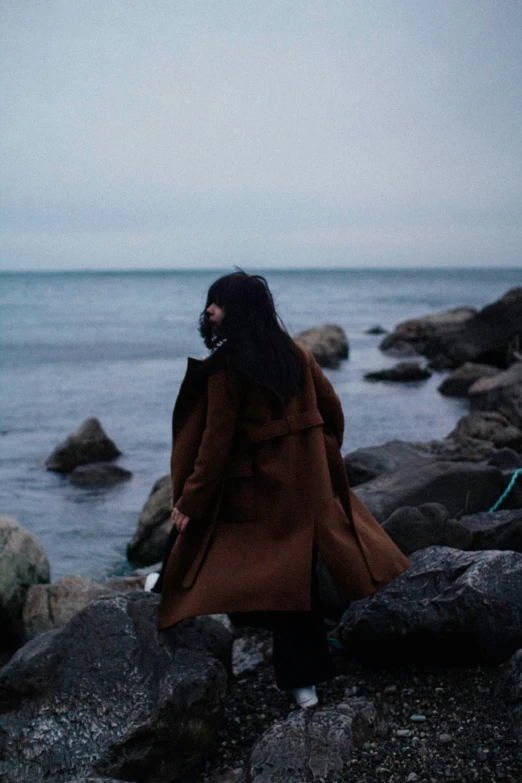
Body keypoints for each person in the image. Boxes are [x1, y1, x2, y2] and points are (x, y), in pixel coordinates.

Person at [152, 271, 410, 709]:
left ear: (237, 311)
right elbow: (333, 412)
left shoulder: (226, 370)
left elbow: (214, 447)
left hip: (254, 491)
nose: (209, 311)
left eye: (216, 303)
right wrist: (316, 455)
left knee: (194, 530)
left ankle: (160, 598)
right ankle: (303, 684)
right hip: (304, 488)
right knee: (298, 583)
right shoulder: (296, 355)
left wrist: (191, 499)